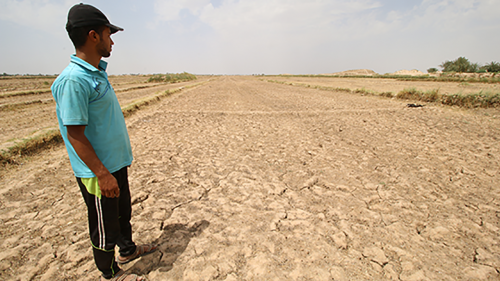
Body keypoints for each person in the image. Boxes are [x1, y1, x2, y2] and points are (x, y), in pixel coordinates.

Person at [51, 4, 157, 281]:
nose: (112, 41)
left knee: (122, 215)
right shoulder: (74, 80)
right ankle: (109, 272)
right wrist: (102, 173)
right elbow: (75, 134)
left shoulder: (95, 73)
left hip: (115, 165)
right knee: (104, 224)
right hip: (99, 172)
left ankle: (128, 251)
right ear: (93, 36)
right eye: (109, 34)